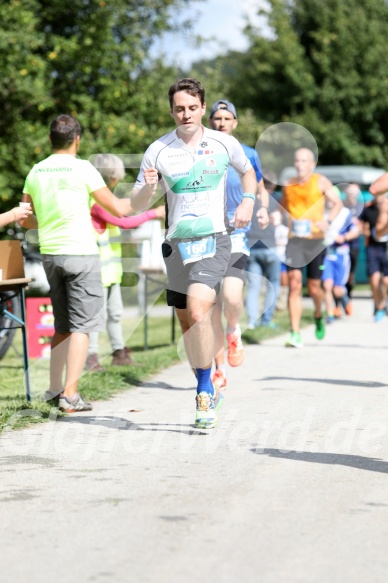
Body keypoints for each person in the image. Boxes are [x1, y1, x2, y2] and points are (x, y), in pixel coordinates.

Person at [130, 78, 258, 428]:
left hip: (215, 238)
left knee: (200, 309)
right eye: (178, 109)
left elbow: (248, 174)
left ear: (203, 107)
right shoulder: (158, 150)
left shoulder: (224, 142)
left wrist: (247, 201)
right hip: (176, 245)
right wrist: (150, 189)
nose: (185, 114)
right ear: (171, 111)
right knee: (189, 324)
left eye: (191, 107)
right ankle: (204, 380)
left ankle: (204, 391)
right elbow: (135, 203)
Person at [19, 114, 134, 412]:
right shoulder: (84, 169)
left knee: (62, 326)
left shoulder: (36, 171)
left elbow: (25, 218)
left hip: (51, 255)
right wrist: (146, 193)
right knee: (82, 327)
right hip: (81, 255)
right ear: (77, 139)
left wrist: (45, 217)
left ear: (50, 139)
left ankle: (54, 389)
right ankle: (71, 395)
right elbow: (119, 208)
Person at [207, 99, 269, 391]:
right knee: (211, 306)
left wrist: (262, 208)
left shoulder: (248, 154)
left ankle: (234, 329)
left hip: (235, 234)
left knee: (231, 298)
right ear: (211, 122)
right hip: (204, 236)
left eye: (226, 118)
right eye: (216, 118)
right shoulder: (201, 151)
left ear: (235, 123)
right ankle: (219, 367)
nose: (221, 122)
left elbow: (259, 187)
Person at [85, 153, 165, 371]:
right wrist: (154, 213)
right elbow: (125, 221)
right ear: (110, 177)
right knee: (96, 316)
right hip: (96, 271)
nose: (118, 180)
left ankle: (119, 352)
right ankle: (90, 357)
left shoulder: (105, 199)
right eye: (116, 177)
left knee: (115, 312)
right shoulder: (95, 201)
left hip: (109, 271)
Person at [281, 148, 342, 348]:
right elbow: (283, 209)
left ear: (312, 163)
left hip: (316, 241)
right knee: (295, 284)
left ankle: (318, 313)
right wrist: (280, 217)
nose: (299, 164)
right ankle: (295, 333)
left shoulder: (320, 181)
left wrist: (328, 221)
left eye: (303, 160)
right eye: (296, 160)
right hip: (295, 241)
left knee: (315, 289)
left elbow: (337, 203)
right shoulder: (289, 185)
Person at [245, 171, 280, 331]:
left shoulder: (248, 200)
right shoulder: (275, 201)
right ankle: (266, 320)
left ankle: (252, 321)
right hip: (270, 247)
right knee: (272, 284)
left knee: (254, 287)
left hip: (251, 247)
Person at [321, 197, 360, 323]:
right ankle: (330, 314)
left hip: (341, 255)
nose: (329, 202)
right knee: (327, 286)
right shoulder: (322, 212)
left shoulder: (345, 213)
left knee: (337, 290)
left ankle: (344, 299)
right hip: (327, 254)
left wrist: (344, 237)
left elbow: (355, 231)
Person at [358, 193, 388, 321]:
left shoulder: (386, 207)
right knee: (374, 281)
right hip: (373, 247)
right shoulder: (368, 209)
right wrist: (365, 231)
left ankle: (383, 302)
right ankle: (378, 305)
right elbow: (360, 225)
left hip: (385, 247)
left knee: (386, 281)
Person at [340, 183, 364, 316]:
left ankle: (348, 298)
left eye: (354, 193)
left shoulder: (361, 207)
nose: (352, 195)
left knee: (350, 275)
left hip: (353, 245)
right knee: (338, 275)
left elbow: (364, 226)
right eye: (350, 192)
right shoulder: (341, 205)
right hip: (339, 245)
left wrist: (357, 225)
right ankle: (339, 304)